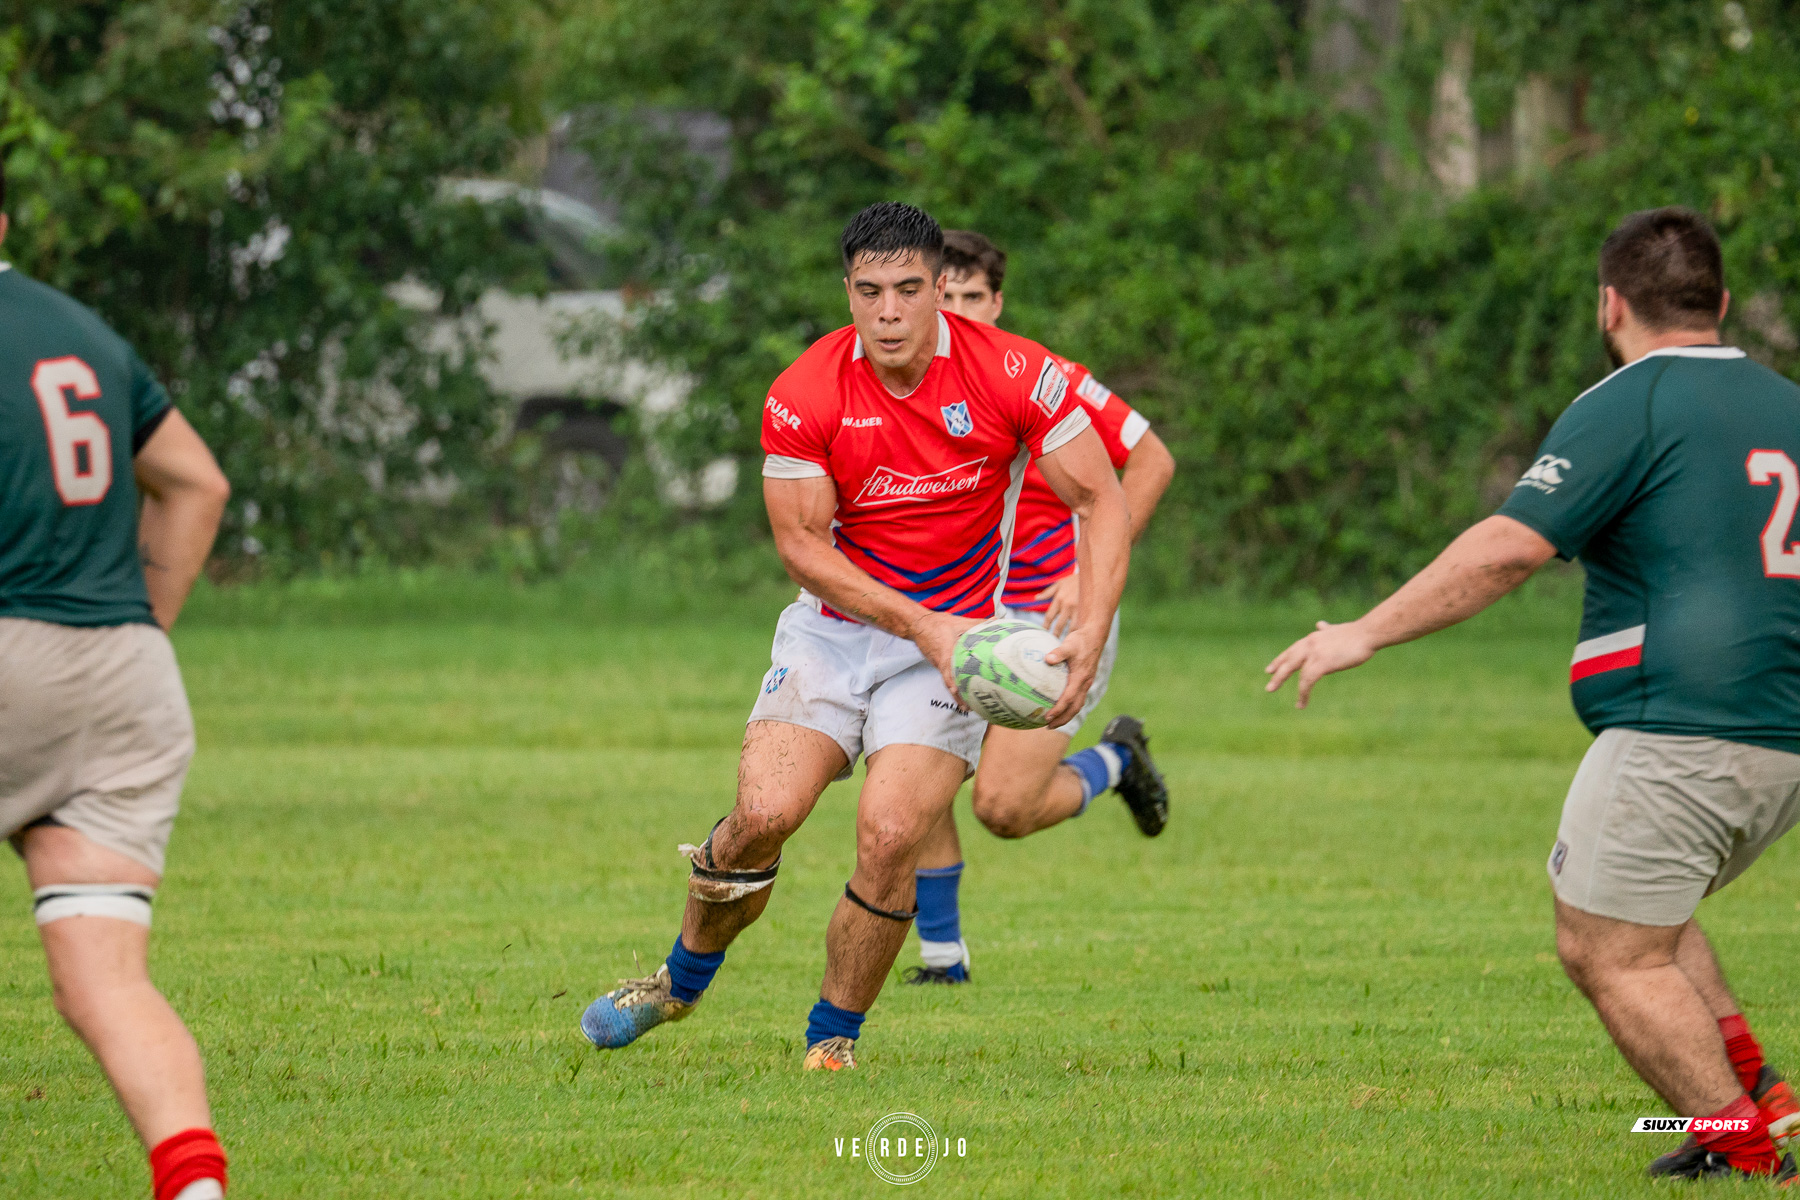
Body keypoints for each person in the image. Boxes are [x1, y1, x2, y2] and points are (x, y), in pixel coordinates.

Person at [1265, 207, 1800, 1183]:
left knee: (1604, 947)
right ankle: (1760, 1092)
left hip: (1681, 728)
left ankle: (1751, 1152)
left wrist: (1362, 631)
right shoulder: (1787, 406)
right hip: (1780, 737)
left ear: (1609, 304)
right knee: (1649, 912)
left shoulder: (1633, 399)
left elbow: (1511, 548)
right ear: (1720, 303)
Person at [580, 202, 1131, 1070]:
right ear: (847, 292)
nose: (887, 312)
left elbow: (1103, 499)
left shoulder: (1017, 373)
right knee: (764, 815)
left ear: (940, 292)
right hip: (834, 635)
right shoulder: (805, 391)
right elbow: (801, 546)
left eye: (908, 290)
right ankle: (679, 984)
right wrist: (924, 623)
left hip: (945, 653)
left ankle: (829, 1043)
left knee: (889, 833)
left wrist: (1092, 630)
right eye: (868, 291)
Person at [0, 166, 234, 1200]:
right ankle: (194, 1189)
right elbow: (196, 482)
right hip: (127, 679)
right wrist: (134, 628)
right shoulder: (78, 330)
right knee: (105, 978)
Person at [906, 230, 1176, 985]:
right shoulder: (905, 382)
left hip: (1050, 619)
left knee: (1002, 807)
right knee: (911, 766)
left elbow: (1153, 460)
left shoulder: (1046, 376)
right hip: (962, 611)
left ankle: (1118, 762)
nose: (956, 310)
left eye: (971, 297)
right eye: (944, 295)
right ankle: (942, 959)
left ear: (997, 301)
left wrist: (1089, 572)